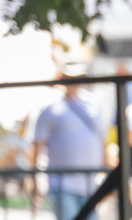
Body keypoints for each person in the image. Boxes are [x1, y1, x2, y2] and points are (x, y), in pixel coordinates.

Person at [32, 75, 107, 220]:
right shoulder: (49, 107)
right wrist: (36, 181)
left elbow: (101, 141)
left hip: (90, 184)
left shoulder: (93, 104)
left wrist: (102, 172)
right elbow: (37, 145)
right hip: (62, 184)